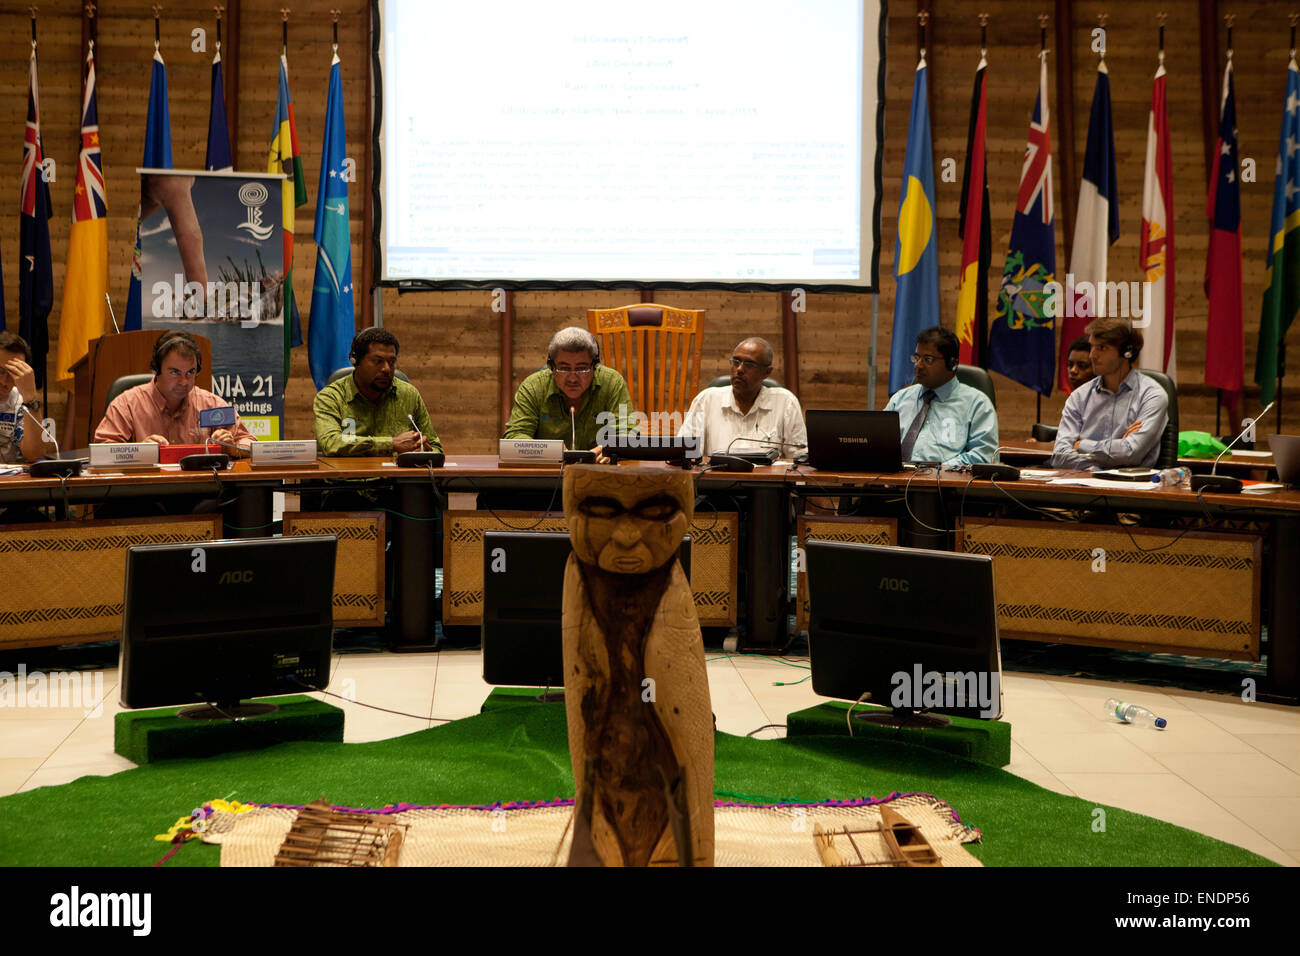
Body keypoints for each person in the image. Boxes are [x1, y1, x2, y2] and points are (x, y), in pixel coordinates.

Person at [94, 330, 257, 449]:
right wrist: (138, 451)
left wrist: (232, 446)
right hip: (145, 492)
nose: (184, 382)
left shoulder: (211, 404)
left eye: (190, 372)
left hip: (201, 492)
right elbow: (102, 449)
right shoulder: (127, 405)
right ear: (156, 370)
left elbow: (249, 443)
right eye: (175, 373)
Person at [1051, 317, 1168, 471]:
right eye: (1092, 346)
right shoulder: (1079, 397)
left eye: (1101, 348)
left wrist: (1082, 445)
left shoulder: (1152, 395)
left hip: (1133, 488)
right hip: (1082, 483)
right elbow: (1059, 456)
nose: (1092, 355)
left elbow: (1131, 453)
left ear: (1127, 352)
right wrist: (1098, 467)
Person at [503, 327, 635, 459]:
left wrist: (609, 449)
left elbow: (627, 434)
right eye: (564, 369)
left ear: (594, 366)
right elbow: (515, 436)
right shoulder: (533, 386)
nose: (572, 378)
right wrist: (549, 450)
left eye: (582, 369)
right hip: (549, 474)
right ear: (552, 367)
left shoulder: (612, 382)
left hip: (600, 472)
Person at [313, 328, 441, 456]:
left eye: (391, 362)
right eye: (377, 361)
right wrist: (392, 444)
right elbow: (330, 444)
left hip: (397, 475)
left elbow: (435, 446)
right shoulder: (331, 397)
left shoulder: (409, 395)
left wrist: (423, 452)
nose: (386, 369)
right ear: (356, 362)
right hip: (350, 475)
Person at [884, 325, 998, 465]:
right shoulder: (899, 400)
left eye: (928, 359)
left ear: (952, 363)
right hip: (895, 483)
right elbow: (879, 445)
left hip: (947, 484)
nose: (918, 365)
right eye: (916, 357)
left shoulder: (977, 404)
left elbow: (985, 456)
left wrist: (937, 472)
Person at [677, 337, 806, 456]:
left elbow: (799, 457)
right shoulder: (706, 400)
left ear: (767, 372)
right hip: (718, 478)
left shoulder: (785, 402)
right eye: (736, 362)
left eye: (749, 364)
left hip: (766, 480)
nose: (739, 369)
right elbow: (686, 452)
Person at [0, 331, 56, 465]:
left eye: (13, 374)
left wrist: (31, 398)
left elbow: (36, 455)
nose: (3, 381)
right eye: (0, 371)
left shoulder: (19, 401)